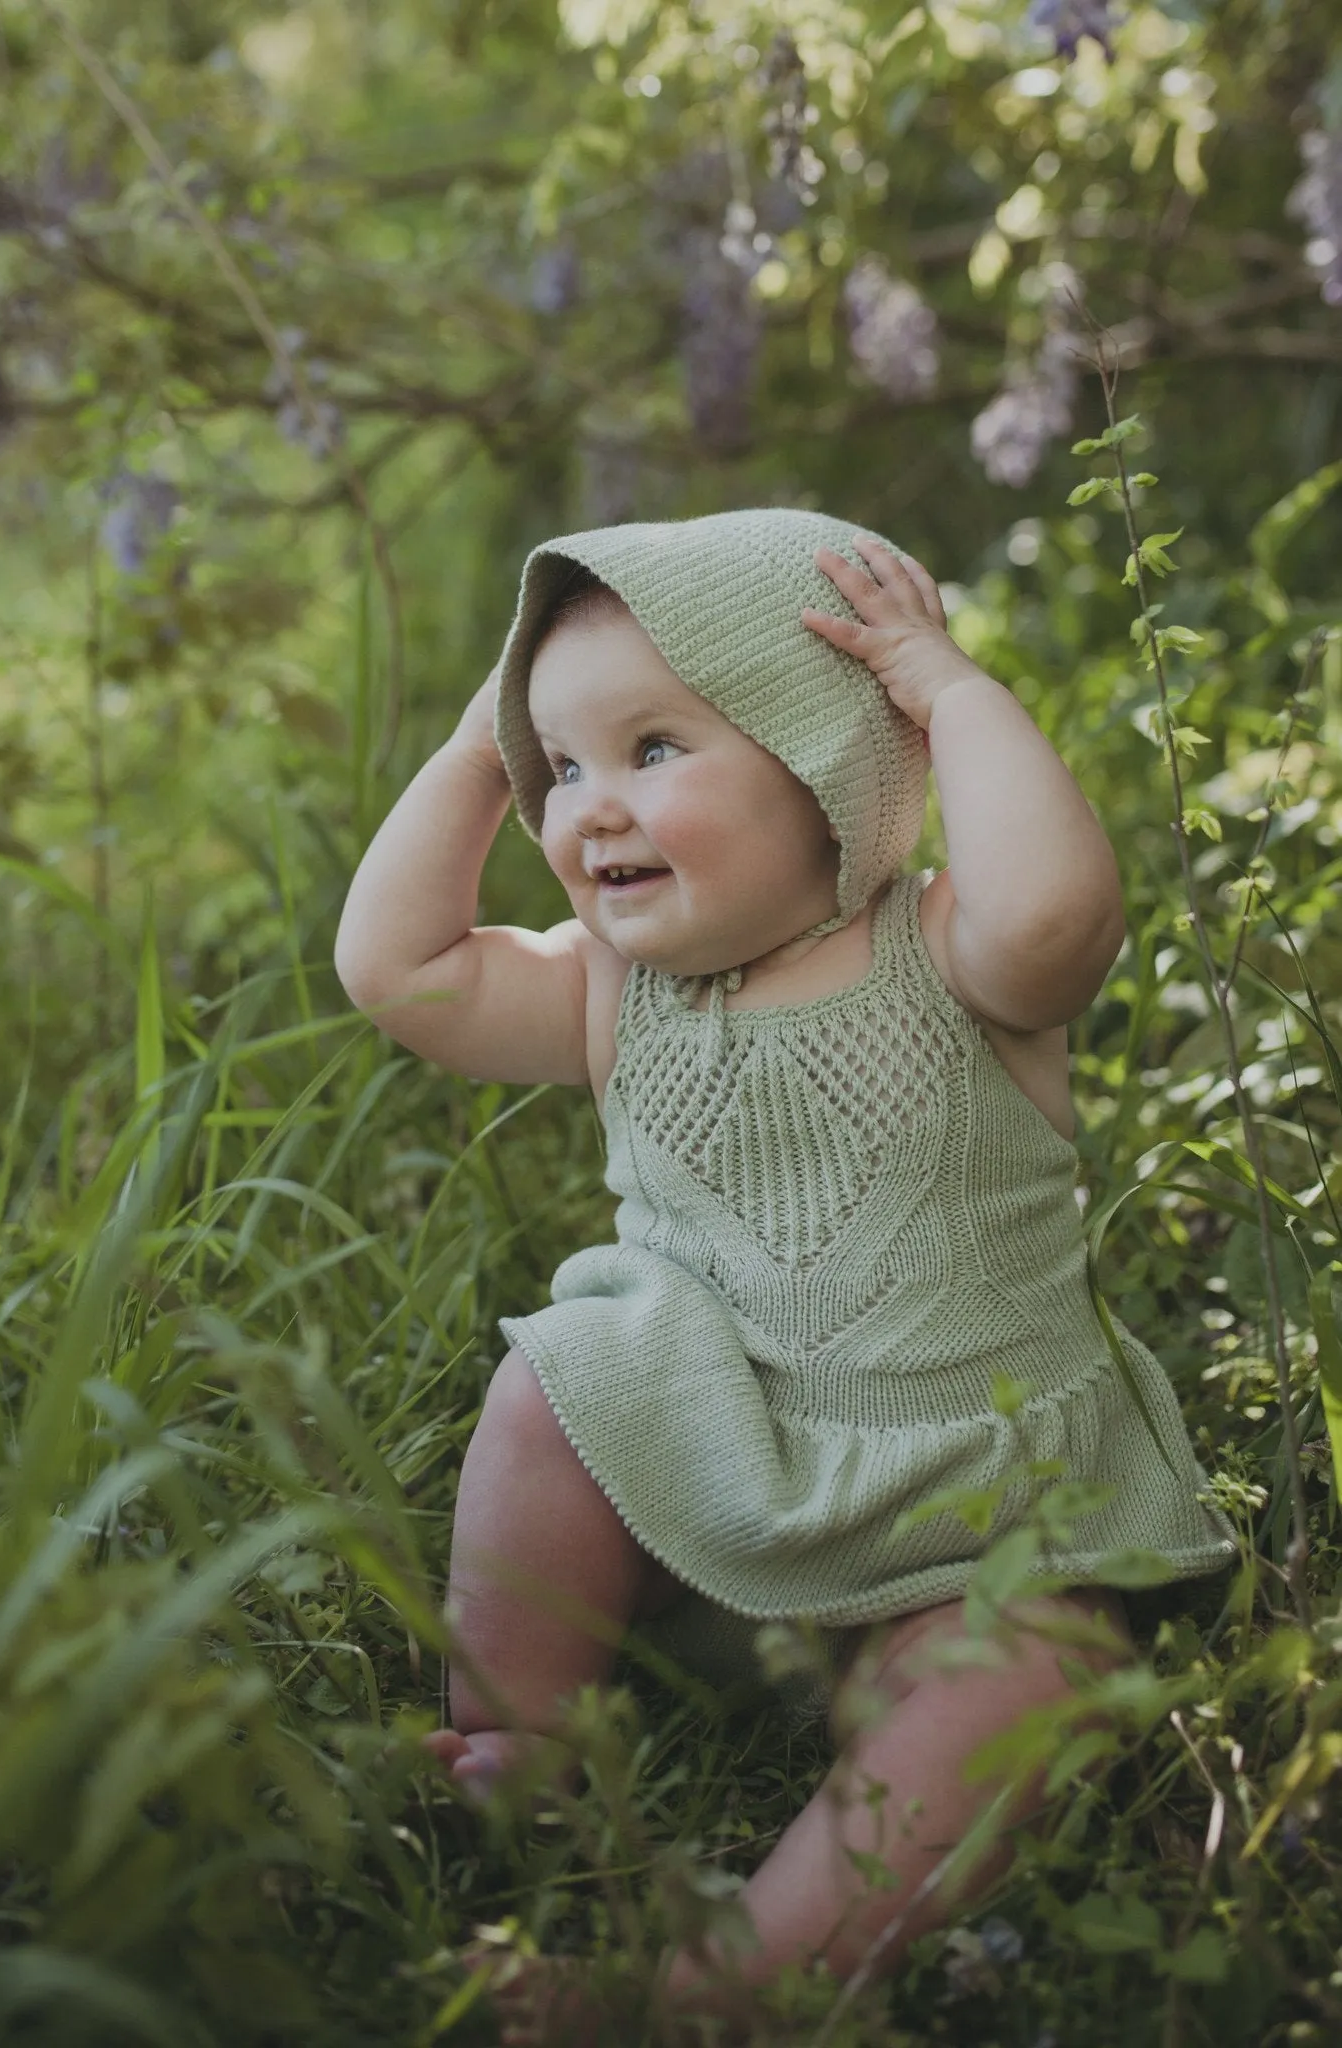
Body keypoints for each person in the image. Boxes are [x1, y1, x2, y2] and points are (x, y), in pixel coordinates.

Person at [334, 508, 1236, 2035]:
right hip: (707, 1478)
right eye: (562, 769)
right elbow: (400, 975)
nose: (589, 810)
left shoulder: (959, 960)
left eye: (654, 750)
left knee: (1024, 1680)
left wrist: (949, 695)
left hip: (975, 1515)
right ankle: (516, 1742)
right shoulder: (619, 986)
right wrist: (492, 748)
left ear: (831, 753)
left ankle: (726, 1983)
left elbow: (1065, 917)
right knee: (555, 1384)